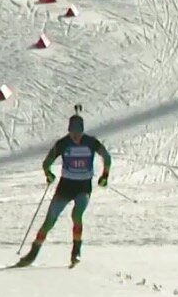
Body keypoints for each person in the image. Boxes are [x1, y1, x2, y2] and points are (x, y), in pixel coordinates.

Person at [16, 112, 112, 267]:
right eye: (72, 132)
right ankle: (33, 252)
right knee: (49, 221)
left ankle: (76, 251)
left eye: (78, 132)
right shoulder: (63, 143)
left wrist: (105, 176)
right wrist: (48, 174)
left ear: (82, 130)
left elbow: (107, 157)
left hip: (83, 187)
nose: (75, 135)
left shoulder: (91, 142)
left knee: (77, 214)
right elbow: (46, 162)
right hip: (65, 186)